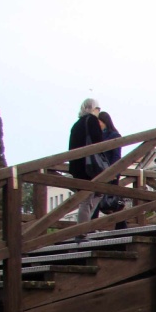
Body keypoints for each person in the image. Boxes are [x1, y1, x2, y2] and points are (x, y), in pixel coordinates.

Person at [69, 98, 105, 229]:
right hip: (89, 166)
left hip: (77, 166)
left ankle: (85, 227)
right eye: (98, 109)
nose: (99, 112)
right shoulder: (92, 121)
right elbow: (99, 143)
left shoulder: (76, 125)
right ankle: (82, 231)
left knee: (91, 196)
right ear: (93, 108)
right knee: (88, 198)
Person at [97, 110, 127, 230]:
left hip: (110, 172)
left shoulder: (114, 135)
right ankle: (92, 227)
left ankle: (121, 225)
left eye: (98, 121)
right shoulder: (99, 136)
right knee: (98, 198)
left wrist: (114, 172)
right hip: (101, 172)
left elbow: (116, 156)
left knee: (113, 201)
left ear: (104, 121)